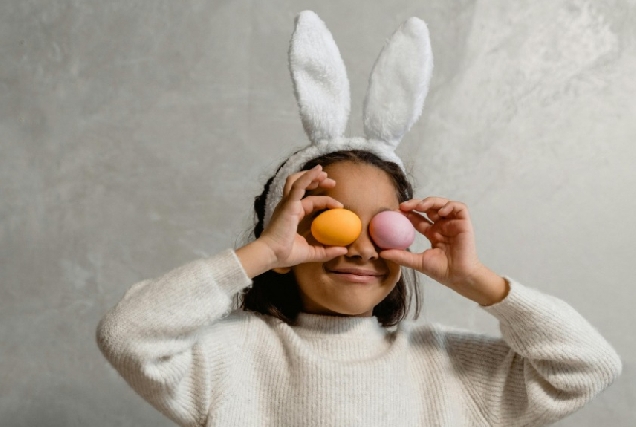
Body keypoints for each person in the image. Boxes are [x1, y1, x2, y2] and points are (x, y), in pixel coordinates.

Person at [96, 11, 622, 427]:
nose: (362, 248)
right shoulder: (233, 359)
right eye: (335, 221)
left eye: (382, 225)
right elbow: (128, 334)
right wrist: (260, 256)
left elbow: (587, 366)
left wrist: (477, 281)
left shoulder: (447, 367)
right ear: (286, 238)